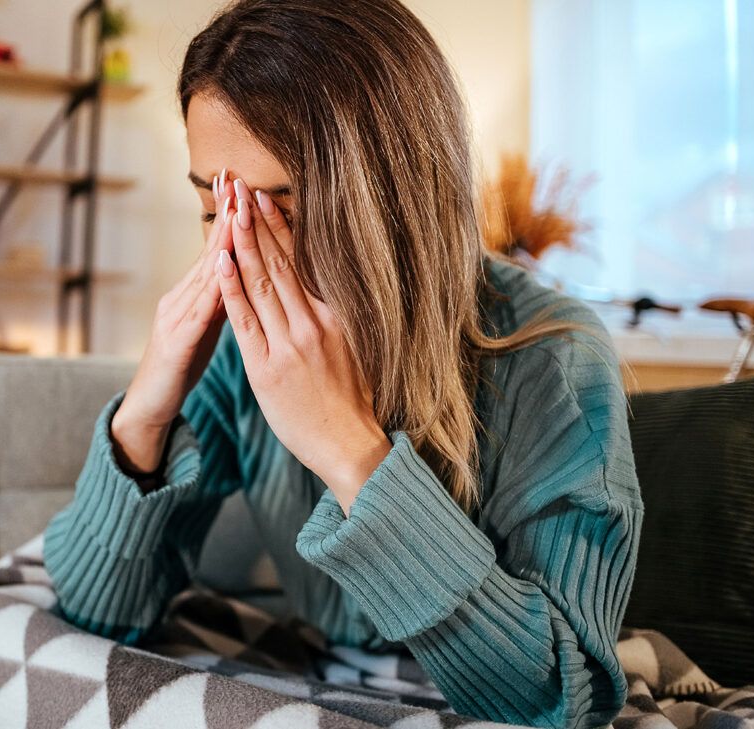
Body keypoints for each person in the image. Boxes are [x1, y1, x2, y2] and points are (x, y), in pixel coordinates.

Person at [43, 1, 643, 726]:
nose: (237, 251)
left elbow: (560, 698)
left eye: (281, 211)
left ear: (393, 196)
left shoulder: (555, 356)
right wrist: (146, 408)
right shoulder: (240, 354)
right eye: (214, 207)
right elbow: (96, 615)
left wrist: (349, 451)